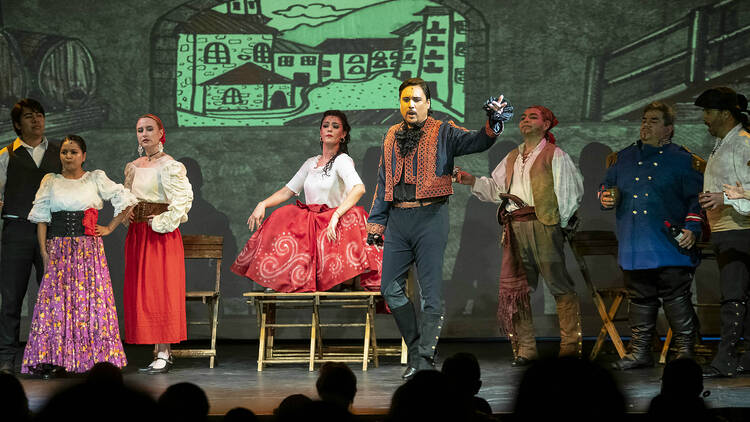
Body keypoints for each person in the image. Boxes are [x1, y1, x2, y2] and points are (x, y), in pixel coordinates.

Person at [367, 77, 512, 379]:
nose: (411, 105)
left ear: (428, 103)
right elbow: (383, 181)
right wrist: (378, 221)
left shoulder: (443, 131)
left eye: (417, 99)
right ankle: (419, 348)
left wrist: (493, 121)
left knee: (431, 292)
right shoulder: (391, 134)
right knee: (389, 289)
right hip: (398, 220)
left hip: (430, 218)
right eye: (406, 99)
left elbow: (477, 141)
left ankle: (422, 358)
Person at [456, 105, 584, 366]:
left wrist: (555, 225)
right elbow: (496, 188)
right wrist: (471, 181)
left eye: (532, 117)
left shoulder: (554, 154)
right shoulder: (513, 156)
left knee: (559, 286)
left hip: (543, 223)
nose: (525, 120)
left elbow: (571, 192)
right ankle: (526, 349)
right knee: (519, 290)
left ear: (546, 125)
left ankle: (570, 347)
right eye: (523, 117)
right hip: (515, 226)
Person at [20, 135, 136, 378]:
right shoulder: (50, 180)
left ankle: (96, 358)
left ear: (83, 155)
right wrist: (44, 251)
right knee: (56, 304)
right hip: (59, 249)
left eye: (73, 152)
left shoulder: (94, 178)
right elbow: (41, 218)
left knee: (89, 303)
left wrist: (110, 227)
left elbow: (125, 200)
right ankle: (54, 358)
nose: (68, 156)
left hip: (88, 250)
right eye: (64, 152)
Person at [600, 102, 704, 370]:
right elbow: (606, 188)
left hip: (670, 243)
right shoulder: (622, 158)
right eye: (644, 119)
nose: (645, 125)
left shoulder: (682, 160)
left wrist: (692, 229)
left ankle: (684, 351)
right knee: (639, 296)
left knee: (676, 296)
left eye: (654, 121)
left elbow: (696, 201)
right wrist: (605, 196)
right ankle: (640, 352)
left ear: (668, 129)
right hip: (635, 242)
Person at [231, 110, 381, 293]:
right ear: (320, 132)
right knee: (282, 214)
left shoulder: (342, 160)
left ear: (343, 135)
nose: (329, 129)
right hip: (312, 220)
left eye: (335, 126)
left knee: (355, 215)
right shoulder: (311, 163)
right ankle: (282, 280)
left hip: (331, 220)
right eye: (325, 126)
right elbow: (288, 190)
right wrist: (262, 203)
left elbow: (359, 188)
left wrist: (336, 215)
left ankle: (338, 280)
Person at [123, 113, 193, 374]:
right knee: (142, 291)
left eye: (149, 129)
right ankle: (156, 349)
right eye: (140, 129)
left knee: (160, 289)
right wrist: (126, 210)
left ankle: (164, 351)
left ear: (161, 132)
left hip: (159, 235)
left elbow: (183, 200)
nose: (144, 134)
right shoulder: (133, 166)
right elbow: (126, 195)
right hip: (138, 234)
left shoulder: (170, 165)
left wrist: (163, 220)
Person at [0, 99, 62, 374]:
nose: (36, 120)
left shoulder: (61, 152)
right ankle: (6, 357)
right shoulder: (6, 155)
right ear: (17, 124)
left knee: (50, 296)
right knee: (12, 297)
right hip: (17, 231)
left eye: (40, 115)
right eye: (29, 117)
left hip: (52, 232)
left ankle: (49, 356)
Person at [694, 87, 750, 378]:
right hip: (727, 229)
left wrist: (725, 199)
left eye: (708, 111)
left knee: (734, 296)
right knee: (737, 295)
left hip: (741, 230)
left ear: (725, 114)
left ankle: (726, 358)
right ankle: (742, 357)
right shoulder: (725, 143)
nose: (704, 118)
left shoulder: (743, 144)